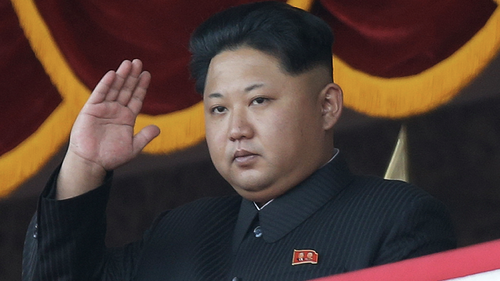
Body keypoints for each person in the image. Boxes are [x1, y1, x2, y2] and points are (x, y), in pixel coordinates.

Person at [22, 1, 456, 280]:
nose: (236, 129)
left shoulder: (397, 217)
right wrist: (85, 162)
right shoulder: (181, 232)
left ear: (327, 106)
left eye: (259, 100)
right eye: (218, 109)